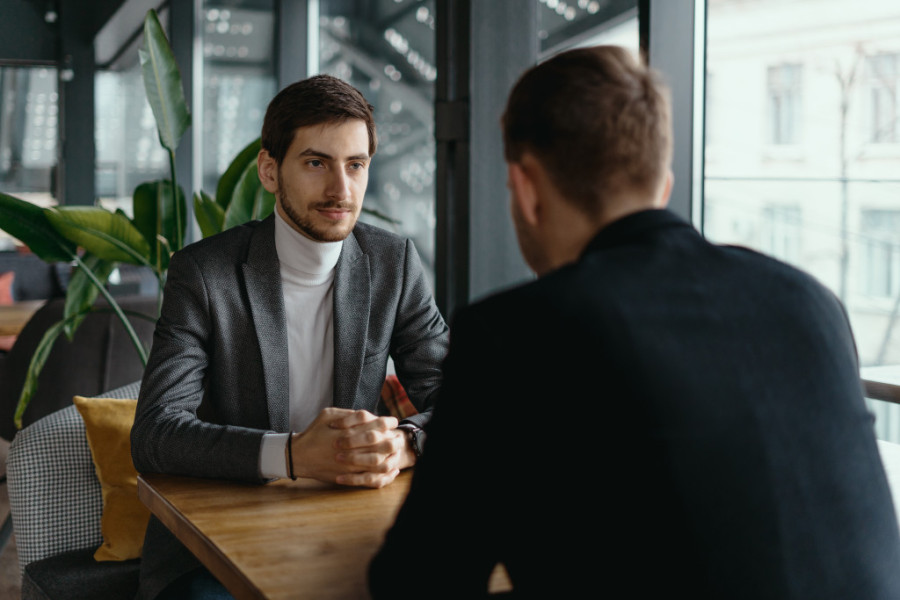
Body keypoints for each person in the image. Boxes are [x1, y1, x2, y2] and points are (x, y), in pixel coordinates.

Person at [369, 46, 900, 599]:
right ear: (663, 185)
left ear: (525, 188)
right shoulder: (809, 300)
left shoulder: (516, 332)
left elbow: (417, 578)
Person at [131, 74, 449, 599]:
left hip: (350, 525)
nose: (341, 190)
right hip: (217, 539)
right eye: (316, 162)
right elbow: (155, 434)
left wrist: (405, 442)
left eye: (356, 164)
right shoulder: (204, 273)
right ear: (270, 170)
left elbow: (466, 403)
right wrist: (295, 455)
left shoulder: (395, 265)